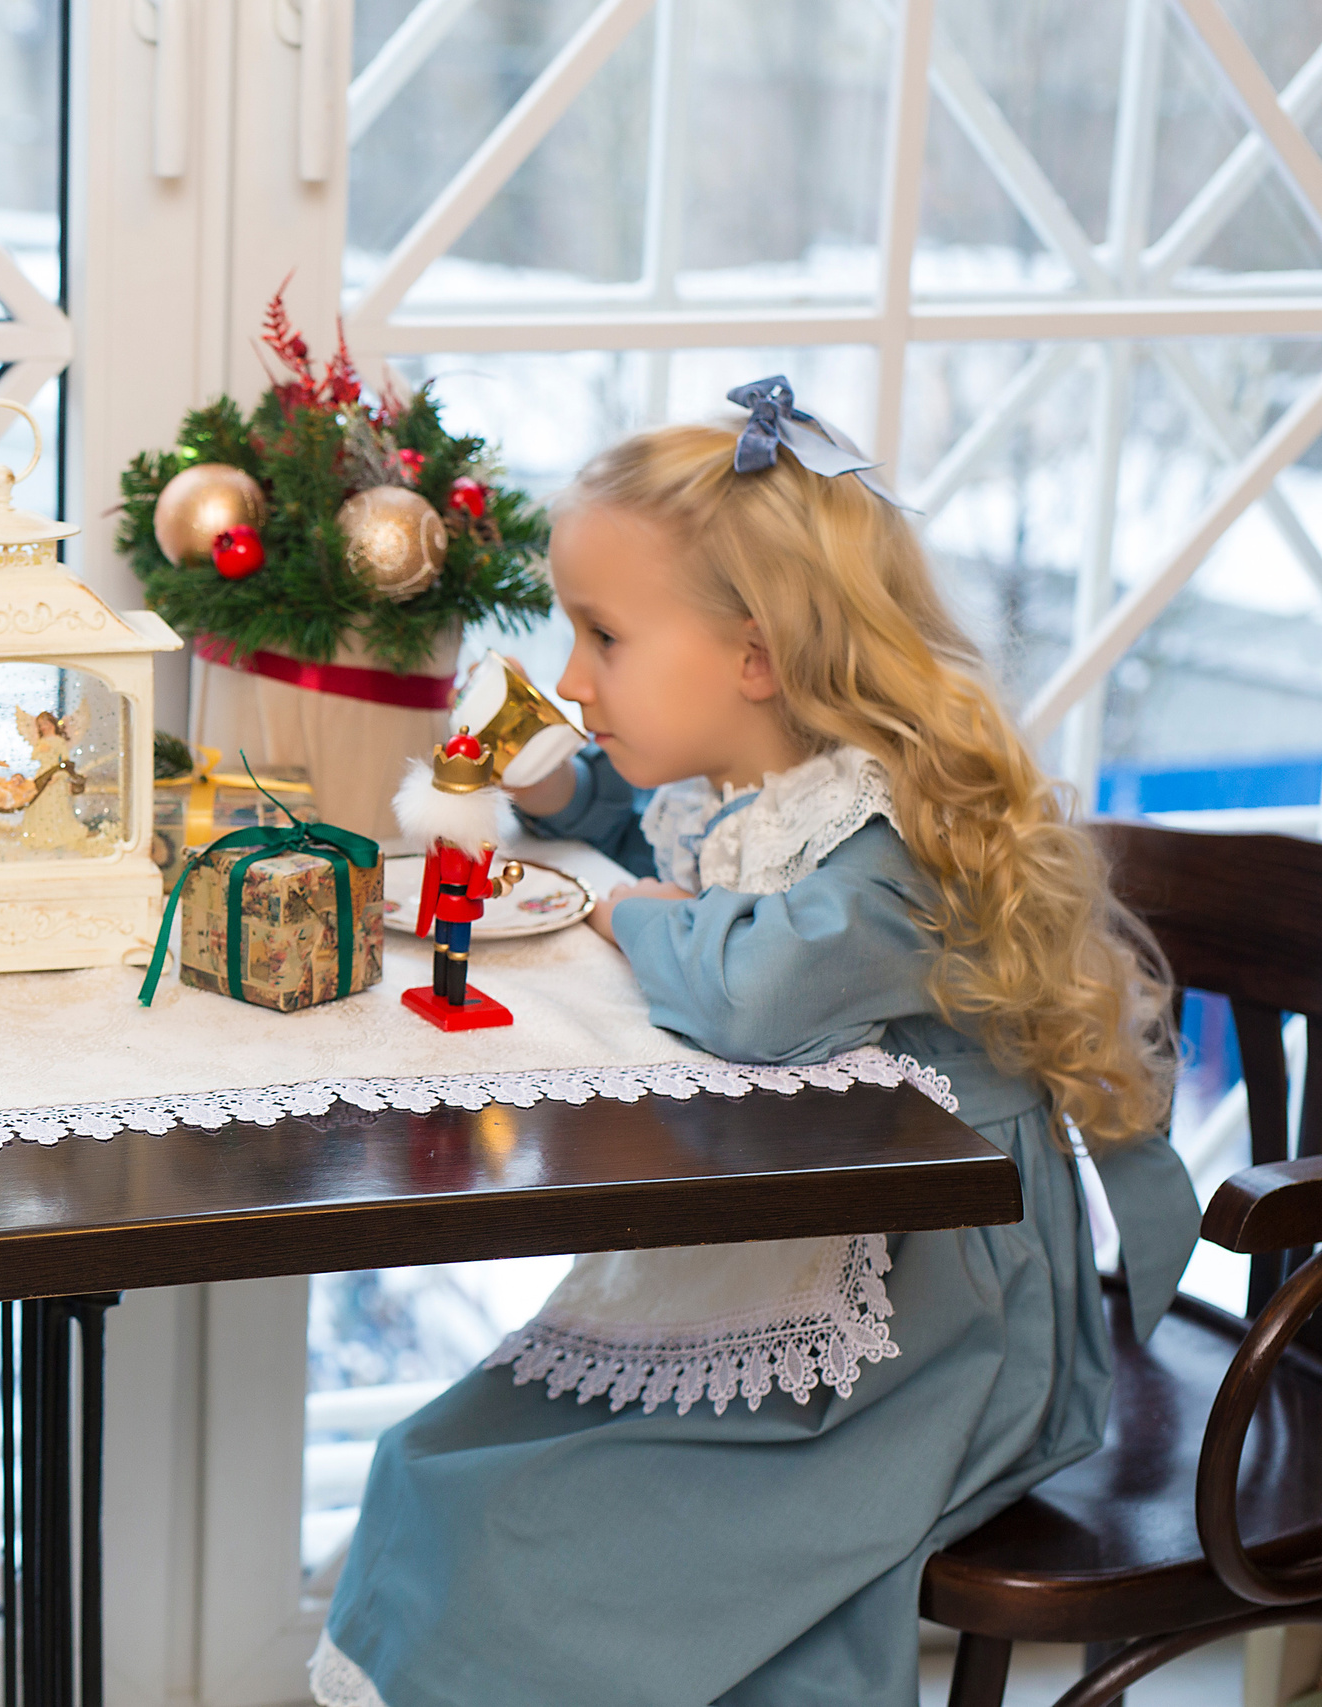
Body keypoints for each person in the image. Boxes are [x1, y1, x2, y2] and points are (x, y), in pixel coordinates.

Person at [313, 384, 1197, 1707]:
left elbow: (757, 986)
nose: (568, 673)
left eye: (603, 635)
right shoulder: (766, 788)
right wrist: (570, 792)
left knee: (524, 1521)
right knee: (440, 1458)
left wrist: (620, 904)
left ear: (756, 655)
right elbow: (677, 852)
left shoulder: (887, 836)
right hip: (834, 1252)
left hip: (949, 1321)